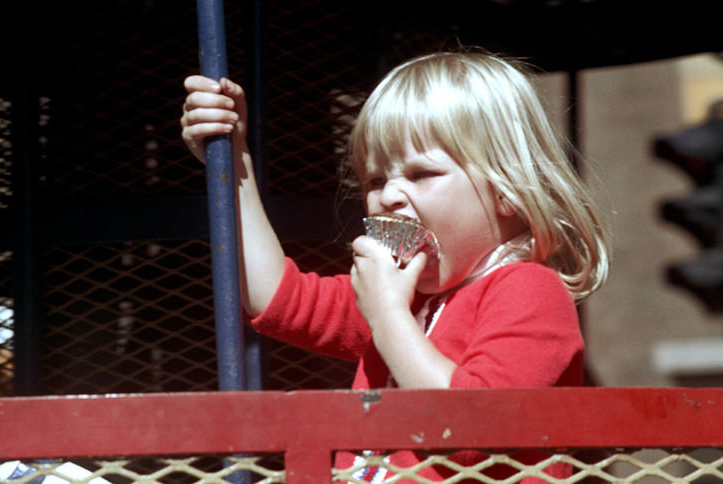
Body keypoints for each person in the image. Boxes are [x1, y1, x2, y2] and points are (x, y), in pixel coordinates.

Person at [181, 50, 610, 482]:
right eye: (376, 181)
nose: (389, 197)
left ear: (507, 192)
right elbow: (277, 297)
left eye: (421, 174)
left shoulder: (529, 291)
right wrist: (235, 161)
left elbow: (474, 431)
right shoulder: (405, 299)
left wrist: (387, 318)